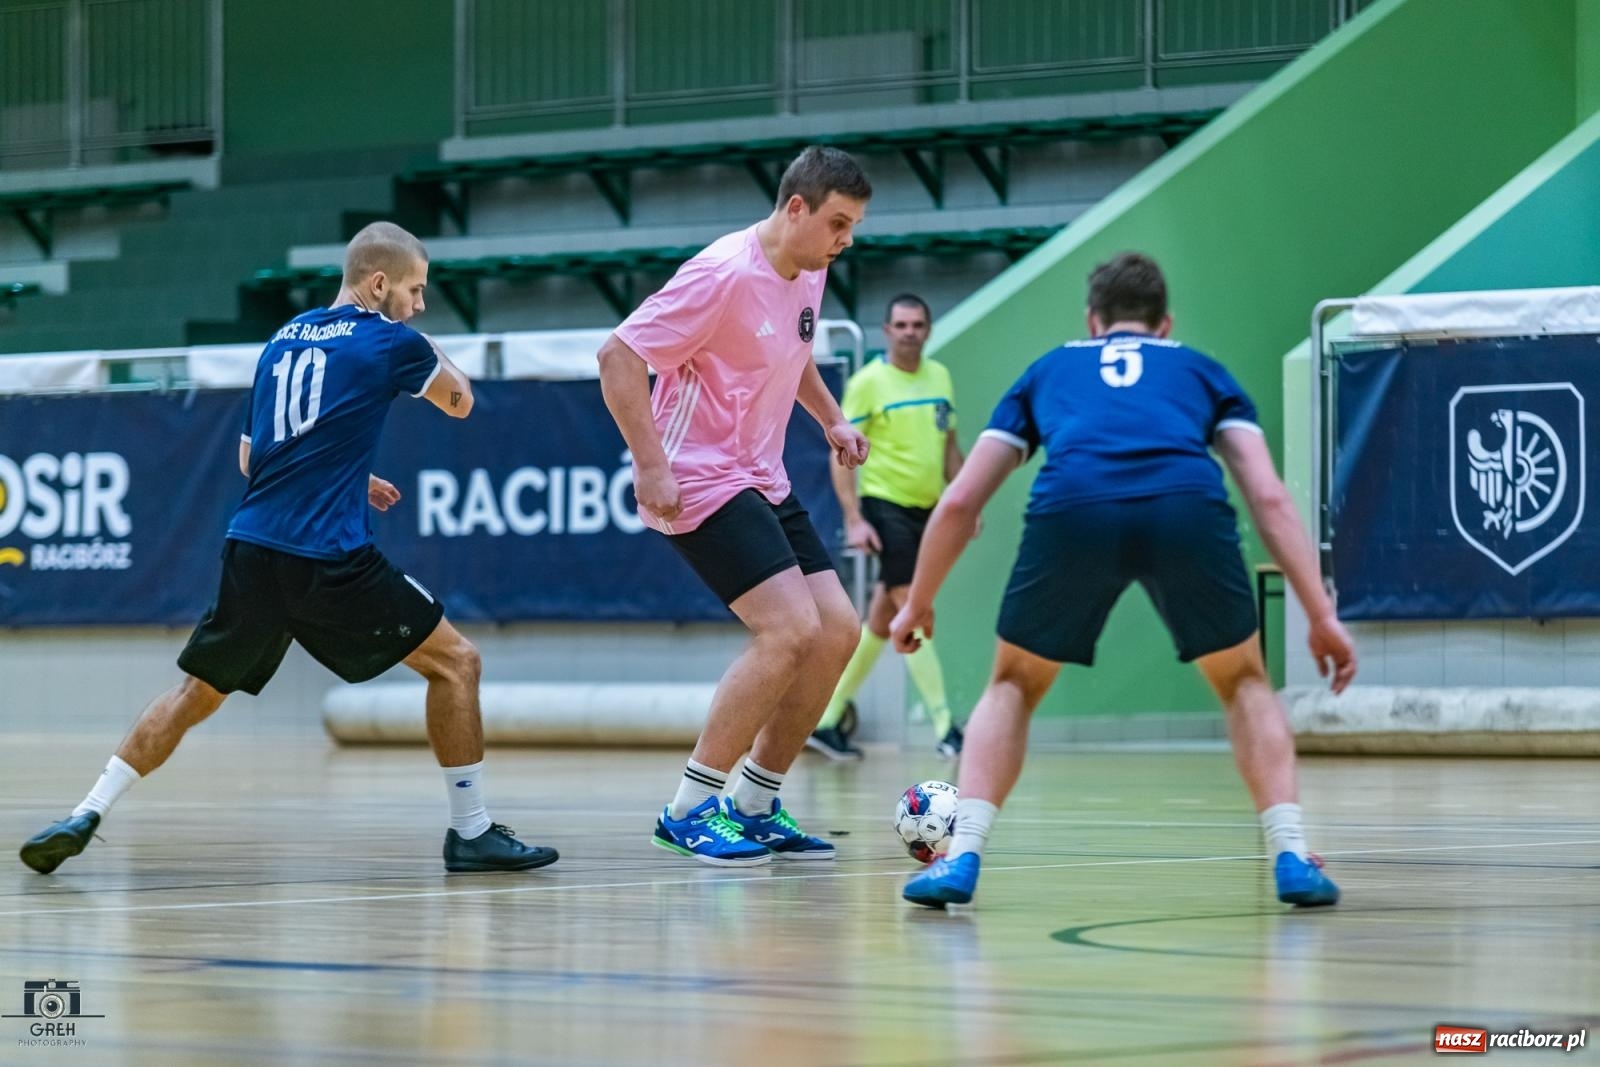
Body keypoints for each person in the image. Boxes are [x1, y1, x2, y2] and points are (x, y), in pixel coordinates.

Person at [19, 222, 557, 876]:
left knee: (196, 692)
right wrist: (424, 343)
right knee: (457, 664)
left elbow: (252, 456)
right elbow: (461, 401)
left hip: (250, 549)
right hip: (326, 555)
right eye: (414, 290)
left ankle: (88, 808)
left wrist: (349, 476)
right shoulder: (392, 341)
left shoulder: (280, 341)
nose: (419, 304)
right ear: (378, 283)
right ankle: (471, 831)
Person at [891, 252, 1357, 908]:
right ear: (1164, 324)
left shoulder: (1050, 368)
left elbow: (962, 500)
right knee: (1246, 679)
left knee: (1014, 682)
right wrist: (1320, 612)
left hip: (1073, 505)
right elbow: (1269, 497)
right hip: (1185, 503)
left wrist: (917, 602)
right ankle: (1290, 853)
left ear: (1092, 320)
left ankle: (961, 855)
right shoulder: (1201, 368)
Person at [597, 146, 872, 866]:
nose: (846, 240)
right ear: (795, 209)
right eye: (838, 223)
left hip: (760, 474)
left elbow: (794, 351)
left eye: (855, 227)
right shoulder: (721, 274)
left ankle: (754, 802)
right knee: (787, 629)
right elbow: (617, 357)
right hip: (696, 476)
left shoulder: (807, 271)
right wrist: (649, 464)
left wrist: (832, 419)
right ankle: (689, 808)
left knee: (838, 630)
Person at [809, 293, 967, 761]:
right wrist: (855, 518)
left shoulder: (940, 378)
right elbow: (840, 455)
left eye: (917, 324)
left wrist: (965, 499)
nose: (909, 331)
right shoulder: (867, 383)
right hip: (885, 506)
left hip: (929, 510)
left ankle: (828, 720)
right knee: (912, 608)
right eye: (900, 324)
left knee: (881, 620)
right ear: (886, 330)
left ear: (928, 329)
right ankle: (945, 726)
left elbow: (951, 447)